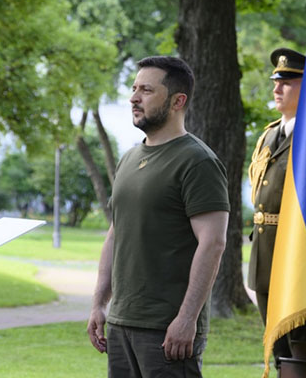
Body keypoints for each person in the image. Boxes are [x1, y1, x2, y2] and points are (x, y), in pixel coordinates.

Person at [86, 56, 229, 378]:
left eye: (147, 90)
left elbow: (213, 244)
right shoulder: (129, 158)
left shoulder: (198, 162)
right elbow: (115, 234)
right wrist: (99, 304)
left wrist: (187, 318)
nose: (134, 98)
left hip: (166, 329)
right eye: (134, 88)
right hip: (122, 322)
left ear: (178, 101)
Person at [247, 48, 306, 367]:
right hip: (265, 251)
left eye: (287, 82)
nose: (277, 88)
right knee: (277, 346)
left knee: (301, 348)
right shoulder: (268, 136)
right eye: (276, 81)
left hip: (297, 252)